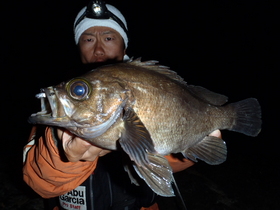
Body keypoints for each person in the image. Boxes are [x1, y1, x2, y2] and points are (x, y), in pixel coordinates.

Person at [23, 1, 221, 210]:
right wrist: (60, 151)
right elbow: (38, 183)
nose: (98, 48)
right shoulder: (59, 115)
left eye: (108, 38)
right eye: (88, 39)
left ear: (124, 45)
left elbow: (173, 160)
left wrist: (195, 140)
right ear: (78, 47)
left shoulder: (146, 81)